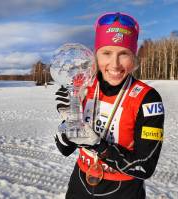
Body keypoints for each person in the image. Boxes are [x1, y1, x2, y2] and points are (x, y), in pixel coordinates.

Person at [54, 12, 164, 199]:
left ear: (134, 57)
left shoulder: (147, 99)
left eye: (124, 54)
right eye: (106, 53)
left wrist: (98, 145)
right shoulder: (84, 86)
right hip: (80, 184)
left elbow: (144, 166)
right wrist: (67, 126)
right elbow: (64, 148)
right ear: (96, 55)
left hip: (123, 190)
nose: (114, 64)